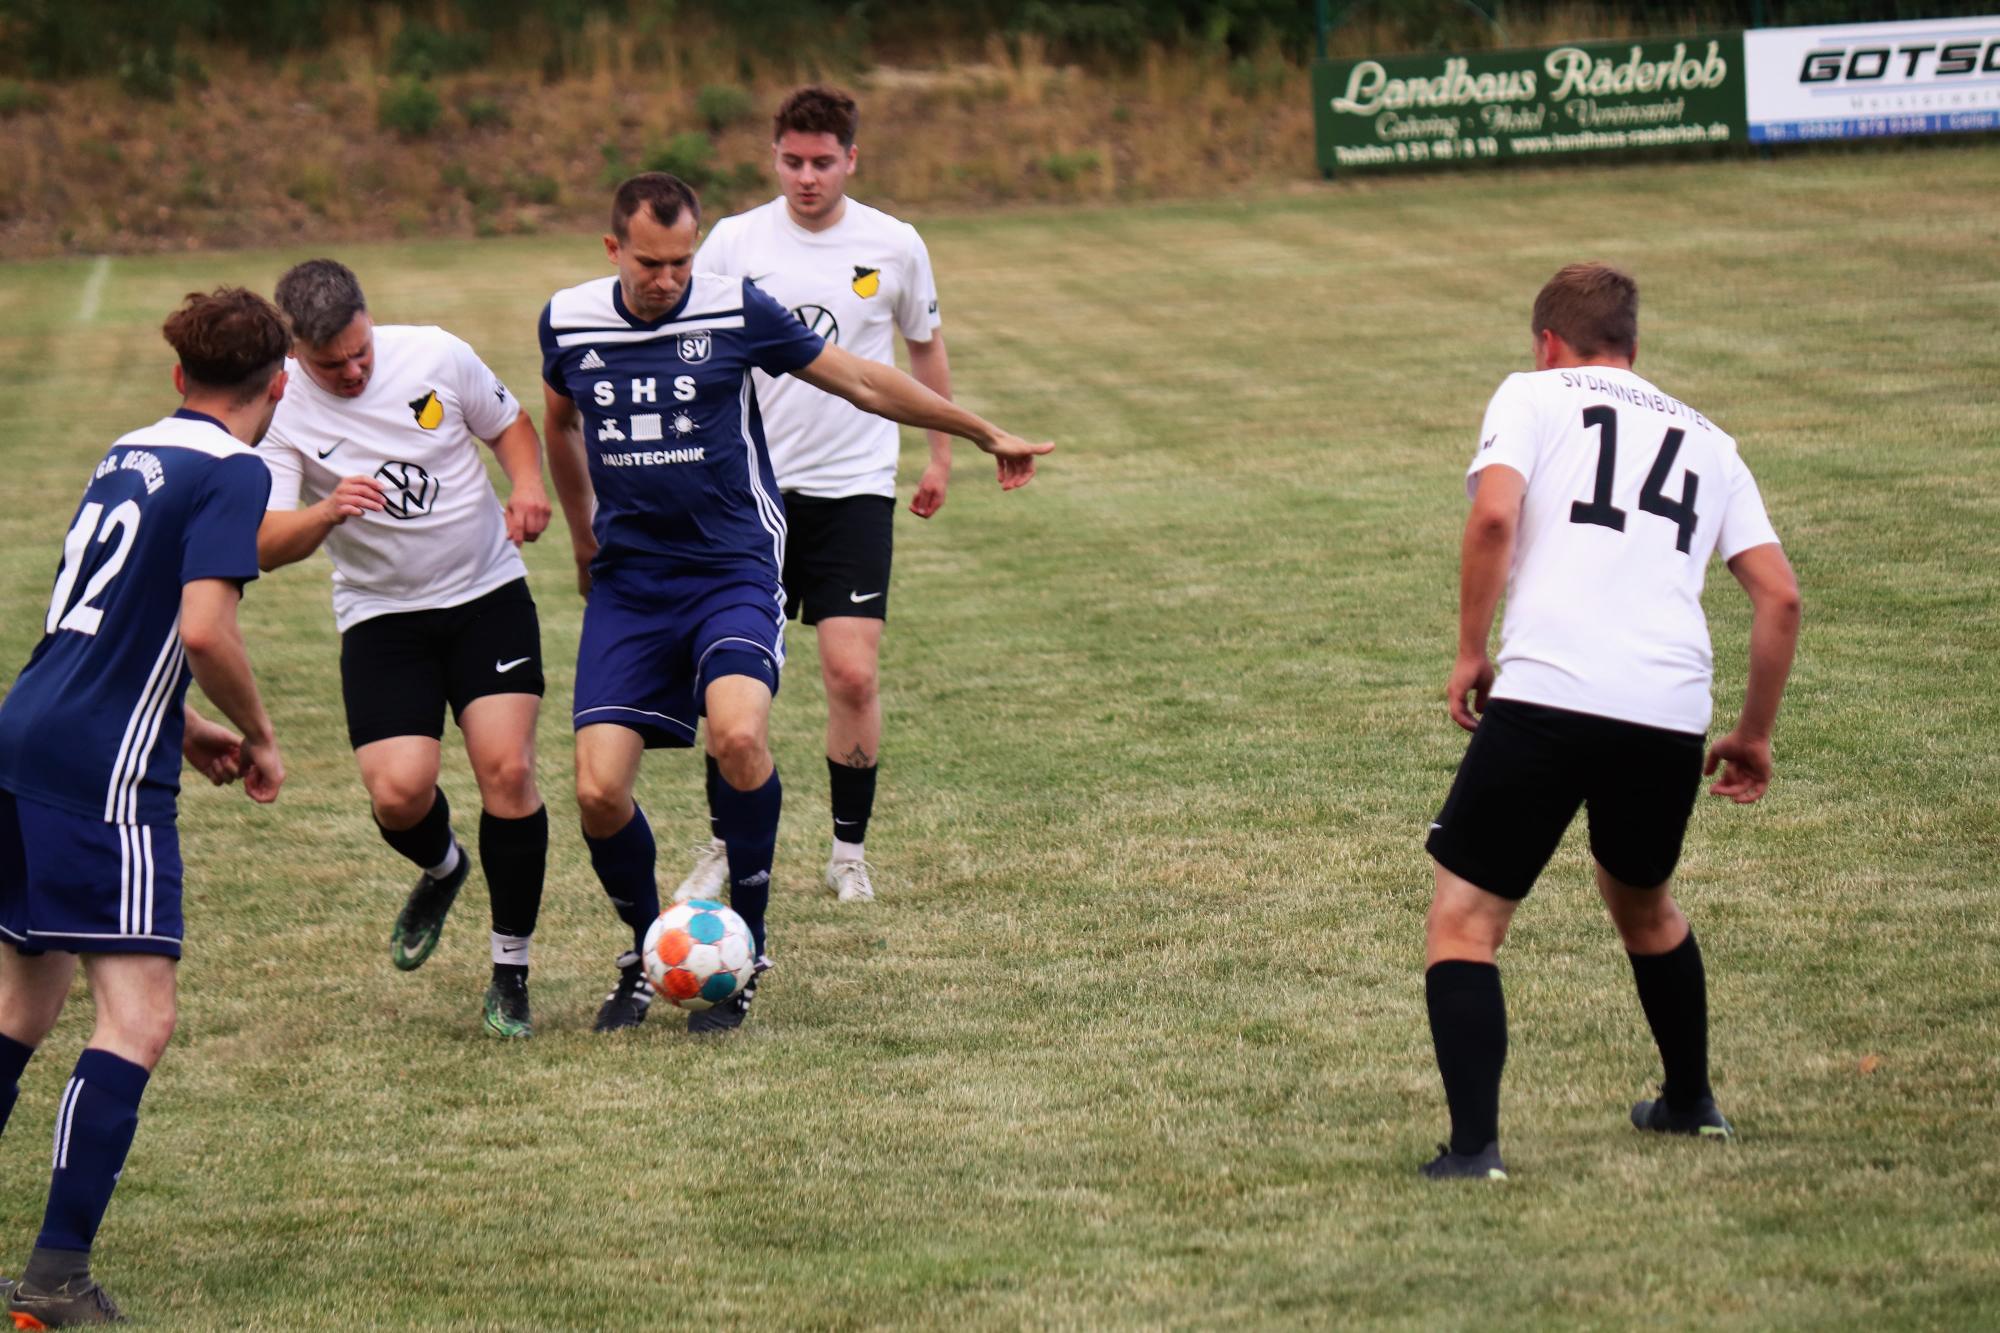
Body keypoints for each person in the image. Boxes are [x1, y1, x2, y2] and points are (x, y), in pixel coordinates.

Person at [541, 172, 1049, 1034]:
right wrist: (584, 537)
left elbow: (860, 379)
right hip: (631, 583)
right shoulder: (568, 319)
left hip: (733, 564)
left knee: (738, 733)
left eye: (682, 260)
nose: (669, 278)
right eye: (651, 262)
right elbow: (560, 422)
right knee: (596, 791)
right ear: (613, 248)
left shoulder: (733, 310)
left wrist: (975, 429)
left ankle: (745, 949)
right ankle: (643, 952)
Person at [1419, 262, 1800, 1180]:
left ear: (1548, 344)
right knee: (1643, 902)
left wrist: (1472, 648)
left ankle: (1475, 1152)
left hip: (1551, 690)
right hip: (1666, 708)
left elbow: (1493, 521)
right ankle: (1690, 1102)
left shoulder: (1532, 394)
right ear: (1634, 347)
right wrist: (1752, 734)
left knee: (1465, 921)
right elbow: (1780, 597)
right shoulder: (1711, 438)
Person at [0, 288, 289, 1324]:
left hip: (28, 723)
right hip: (99, 770)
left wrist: (181, 724)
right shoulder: (238, 469)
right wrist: (253, 729)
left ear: (179, 378)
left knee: (20, 1008)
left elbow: (108, 626)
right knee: (139, 1016)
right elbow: (203, 630)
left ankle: (48, 1271)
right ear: (280, 383)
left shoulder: (129, 448)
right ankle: (55, 1275)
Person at [680, 85, 964, 906]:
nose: (807, 177)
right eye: (792, 161)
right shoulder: (734, 242)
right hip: (748, 491)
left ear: (851, 159)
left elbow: (923, 347)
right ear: (774, 157)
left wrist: (939, 454)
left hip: (852, 487)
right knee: (732, 681)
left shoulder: (895, 243)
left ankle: (848, 853)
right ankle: (727, 846)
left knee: (851, 674)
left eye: (823, 162)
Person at [256, 260, 553, 1039]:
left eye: (360, 352)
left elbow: (511, 425)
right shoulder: (280, 405)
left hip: (488, 594)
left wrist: (526, 486)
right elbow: (263, 541)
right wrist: (327, 514)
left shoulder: (435, 354)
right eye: (332, 365)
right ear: (297, 352)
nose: (352, 371)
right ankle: (444, 866)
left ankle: (511, 969)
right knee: (397, 794)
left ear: (368, 318)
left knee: (508, 769)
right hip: (383, 617)